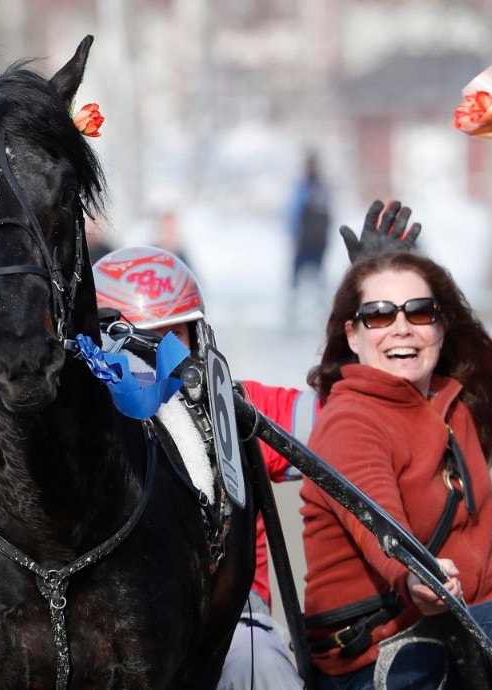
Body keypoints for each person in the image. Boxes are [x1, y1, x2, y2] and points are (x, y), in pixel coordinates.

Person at [299, 164, 492, 690]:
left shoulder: (457, 397)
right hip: (378, 659)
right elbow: (380, 526)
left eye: (419, 311)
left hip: (469, 635)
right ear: (351, 335)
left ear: (441, 328)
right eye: (378, 315)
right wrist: (415, 578)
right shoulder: (349, 422)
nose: (401, 326)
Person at [93, 245, 312, 690]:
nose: (154, 361)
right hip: (105, 628)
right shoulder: (80, 436)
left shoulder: (237, 408)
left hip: (233, 622)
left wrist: (371, 328)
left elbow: (350, 426)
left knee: (260, 669)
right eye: (129, 344)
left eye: (170, 338)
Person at [288, 151, 333, 315]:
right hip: (318, 240)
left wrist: (294, 235)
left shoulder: (305, 187)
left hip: (306, 240)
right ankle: (320, 311)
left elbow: (293, 212)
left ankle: (294, 313)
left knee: (297, 279)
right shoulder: (322, 188)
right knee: (317, 278)